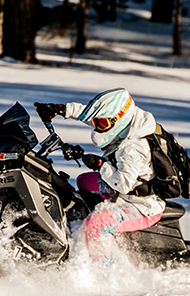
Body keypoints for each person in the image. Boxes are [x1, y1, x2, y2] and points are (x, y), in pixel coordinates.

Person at [36, 88, 165, 261]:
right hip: (129, 189)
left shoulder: (132, 148)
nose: (97, 127)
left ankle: (103, 269)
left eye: (102, 124)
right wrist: (60, 109)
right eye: (98, 122)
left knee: (95, 225)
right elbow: (92, 115)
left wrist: (101, 165)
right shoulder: (126, 123)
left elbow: (123, 184)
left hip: (142, 205)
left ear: (119, 119)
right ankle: (90, 220)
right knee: (84, 181)